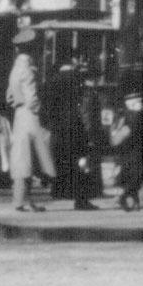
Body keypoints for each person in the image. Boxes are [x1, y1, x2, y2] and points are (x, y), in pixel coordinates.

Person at [4, 29, 56, 212]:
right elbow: (32, 97)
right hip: (30, 115)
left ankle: (20, 200)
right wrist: (37, 110)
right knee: (35, 156)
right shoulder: (28, 71)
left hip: (19, 115)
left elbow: (9, 96)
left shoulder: (15, 70)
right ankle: (25, 200)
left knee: (22, 159)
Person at [43, 56, 102, 210]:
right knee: (81, 163)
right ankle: (82, 199)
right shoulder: (77, 80)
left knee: (63, 162)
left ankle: (59, 191)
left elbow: (46, 108)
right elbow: (84, 107)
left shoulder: (51, 81)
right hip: (75, 127)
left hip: (58, 129)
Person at [111, 91, 143, 211]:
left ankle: (133, 201)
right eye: (138, 102)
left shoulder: (126, 115)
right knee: (135, 176)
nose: (140, 104)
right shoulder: (134, 116)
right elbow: (132, 131)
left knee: (132, 177)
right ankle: (125, 197)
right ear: (131, 104)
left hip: (128, 152)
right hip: (132, 151)